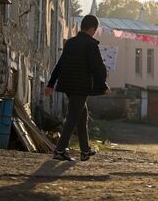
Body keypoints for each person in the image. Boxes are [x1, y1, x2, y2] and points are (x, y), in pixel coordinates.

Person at [45, 15, 110, 162]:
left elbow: (59, 64)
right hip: (81, 86)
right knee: (73, 117)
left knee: (81, 115)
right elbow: (97, 68)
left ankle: (85, 150)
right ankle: (60, 150)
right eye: (95, 30)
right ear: (93, 29)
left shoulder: (70, 43)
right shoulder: (91, 45)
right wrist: (103, 86)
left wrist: (51, 83)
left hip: (67, 85)